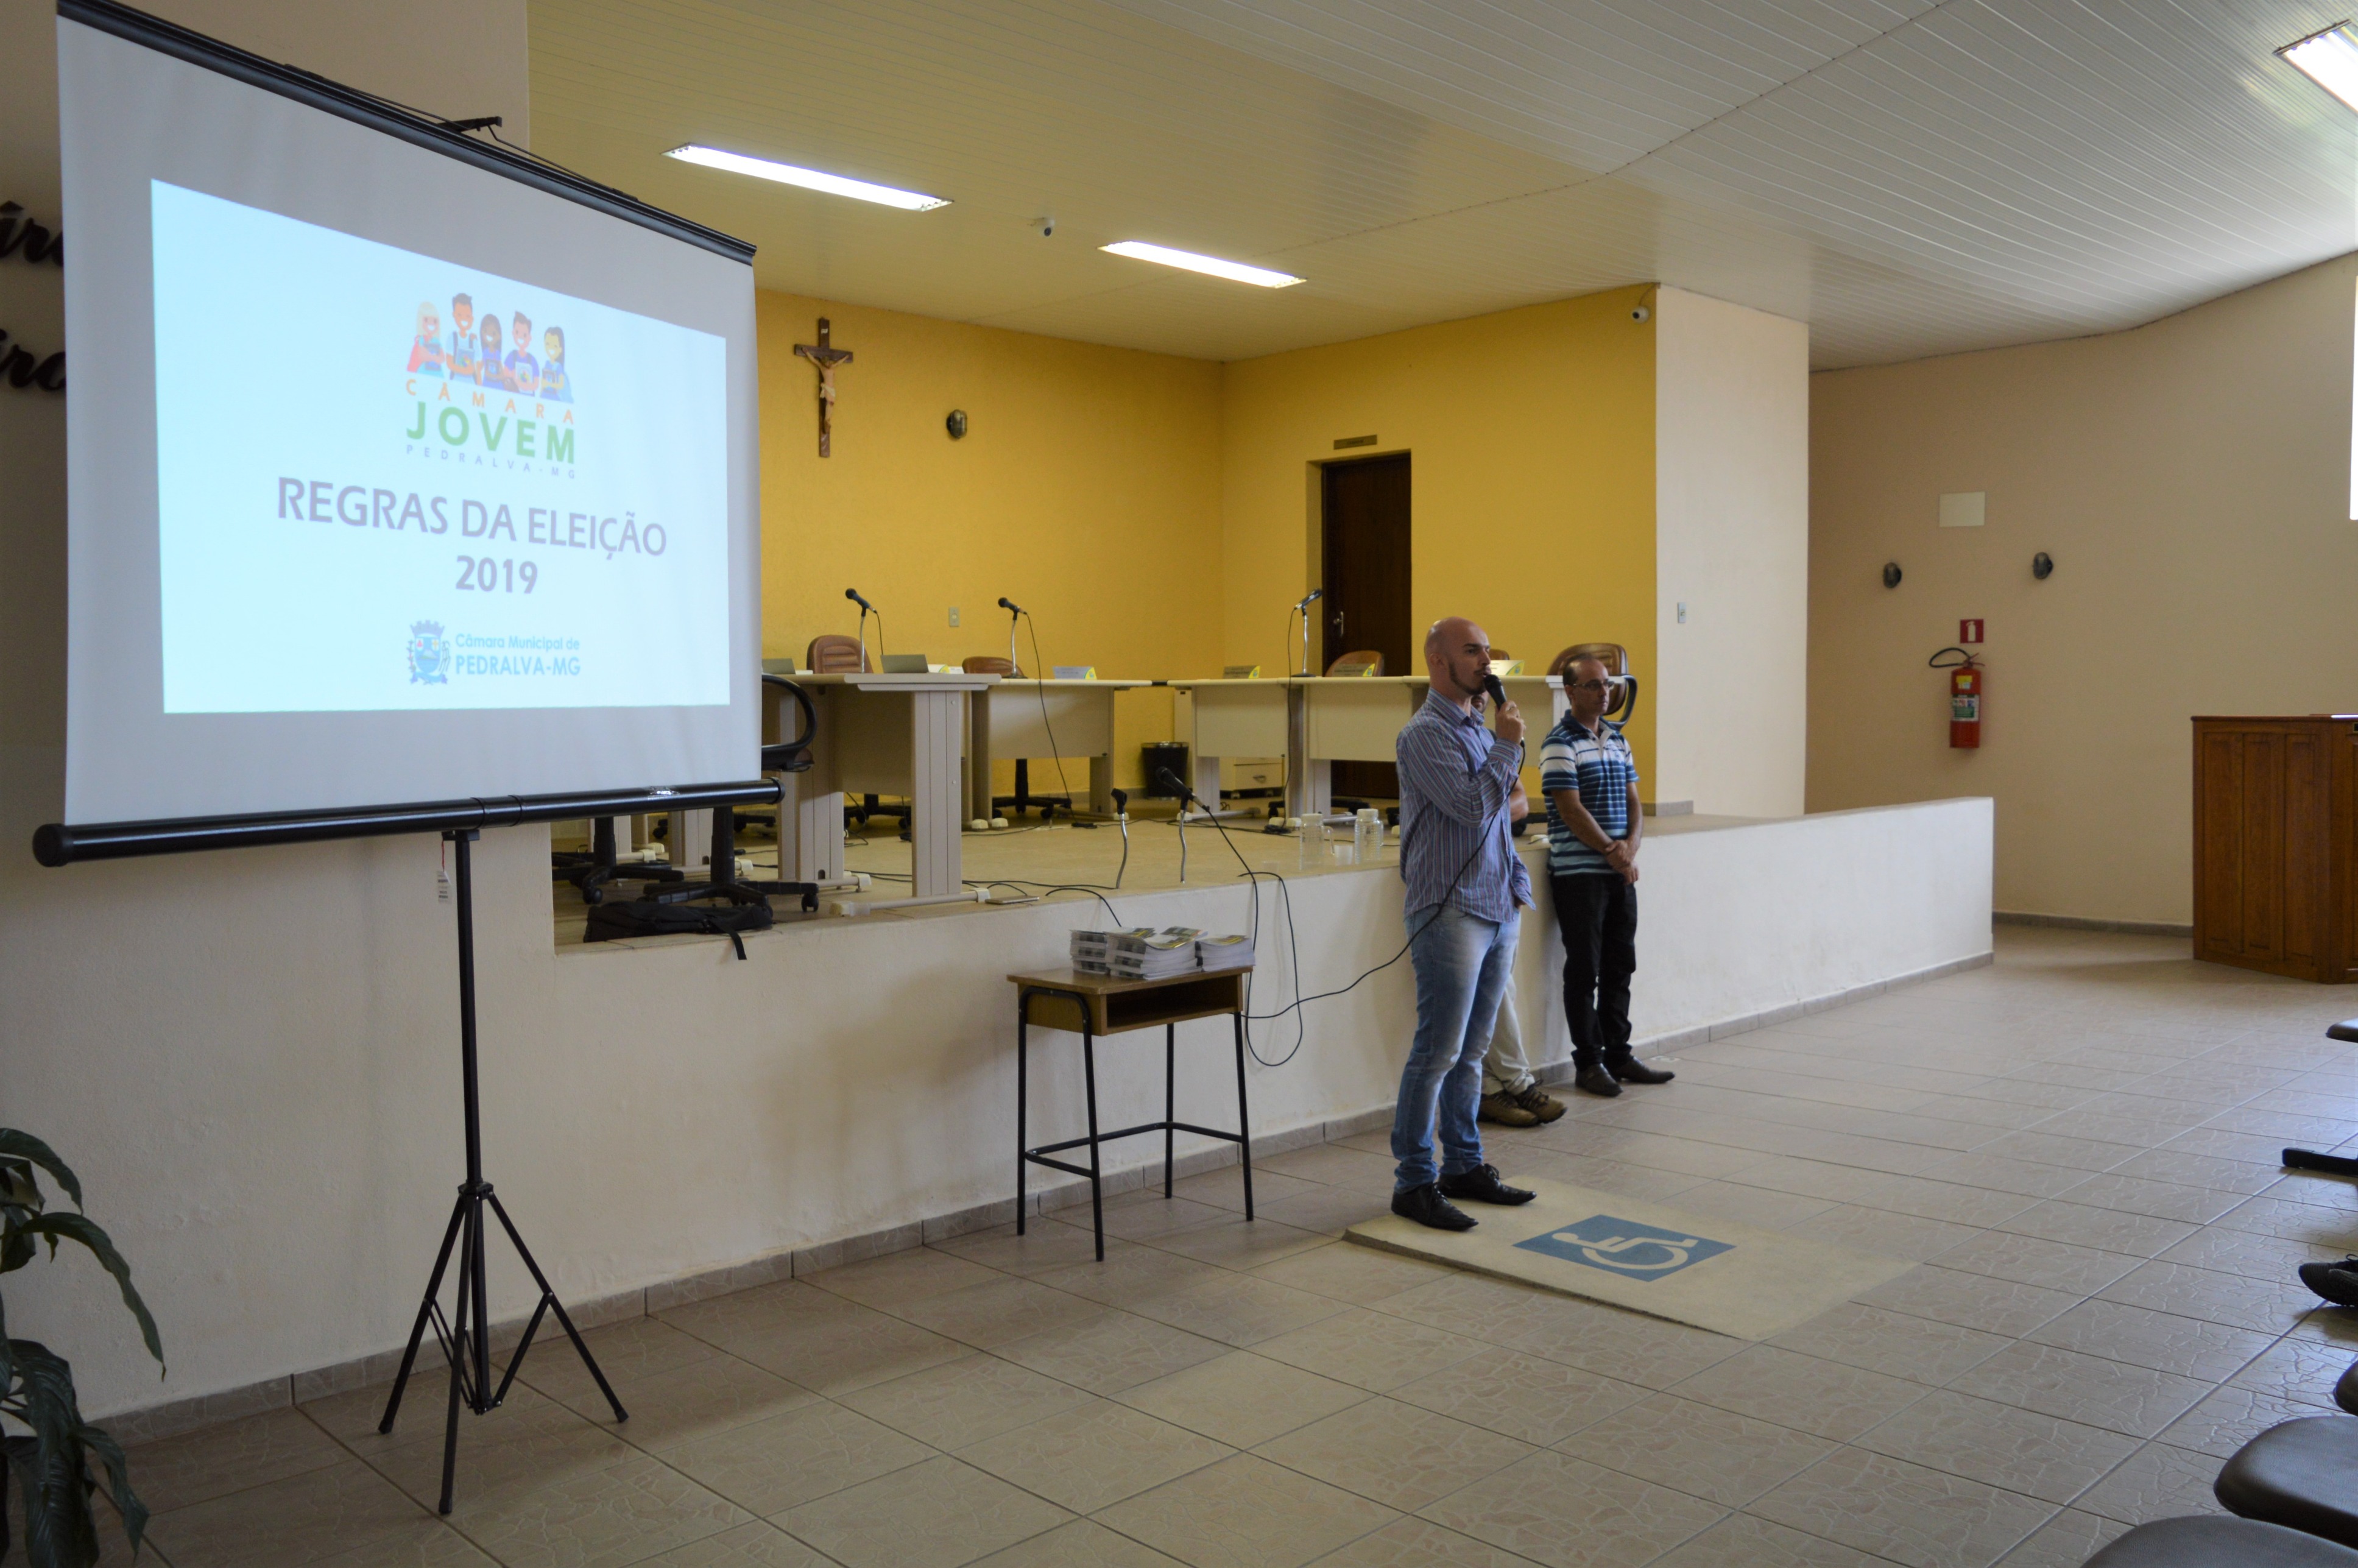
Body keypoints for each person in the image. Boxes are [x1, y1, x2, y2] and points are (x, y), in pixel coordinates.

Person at [1388, 616, 1539, 1231]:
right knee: (1437, 1051)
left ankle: (1464, 1165)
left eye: (1486, 653)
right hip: (1449, 911)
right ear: (1438, 662)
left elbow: (1515, 805)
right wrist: (1507, 747)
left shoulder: (1478, 730)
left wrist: (1500, 749)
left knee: (1473, 1052)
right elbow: (1478, 807)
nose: (1485, 663)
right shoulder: (1423, 734)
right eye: (1471, 652)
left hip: (1498, 900)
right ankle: (1413, 1182)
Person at [1541, 656, 1674, 1098]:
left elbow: (1634, 801)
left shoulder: (1617, 739)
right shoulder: (1558, 743)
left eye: (1608, 685)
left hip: (1619, 871)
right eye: (1594, 685)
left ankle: (1619, 1054)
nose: (1604, 693)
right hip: (1579, 875)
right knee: (1584, 971)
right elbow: (1569, 808)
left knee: (1620, 966)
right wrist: (1612, 852)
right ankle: (1588, 1062)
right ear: (1572, 692)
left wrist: (1630, 846)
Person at [504, 309, 540, 396]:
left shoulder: (533, 360)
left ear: (529, 338)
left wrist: (523, 385)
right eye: (517, 332)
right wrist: (511, 376)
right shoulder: (512, 356)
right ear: (513, 333)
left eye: (524, 335)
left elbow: (536, 384)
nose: (521, 337)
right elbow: (504, 374)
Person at [406, 303, 445, 376]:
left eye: (435, 321)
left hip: (437, 372)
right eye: (426, 320)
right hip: (424, 371)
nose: (431, 324)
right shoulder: (421, 340)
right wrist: (435, 358)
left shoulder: (437, 341)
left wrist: (431, 357)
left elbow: (442, 358)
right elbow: (422, 356)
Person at [447, 294, 477, 384]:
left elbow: (478, 365)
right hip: (456, 382)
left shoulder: (474, 339)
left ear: (472, 318)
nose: (464, 319)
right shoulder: (452, 338)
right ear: (454, 315)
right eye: (460, 315)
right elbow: (449, 363)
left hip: (471, 385)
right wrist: (464, 370)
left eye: (467, 316)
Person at [538, 325, 571, 402]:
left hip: (554, 398)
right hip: (544, 396)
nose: (551, 348)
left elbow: (560, 385)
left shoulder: (558, 367)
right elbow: (543, 382)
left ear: (560, 349)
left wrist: (549, 384)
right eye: (548, 344)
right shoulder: (547, 364)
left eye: (555, 346)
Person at [476, 314, 507, 390]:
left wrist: (492, 376)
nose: (489, 336)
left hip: (497, 386)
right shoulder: (486, 352)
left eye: (494, 333)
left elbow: (502, 375)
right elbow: (480, 367)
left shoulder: (497, 354)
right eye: (486, 331)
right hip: (487, 384)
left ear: (499, 336)